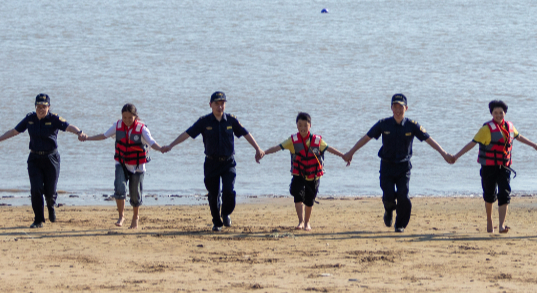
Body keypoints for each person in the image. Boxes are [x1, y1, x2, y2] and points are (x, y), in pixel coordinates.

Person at [342, 94, 455, 234]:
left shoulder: (412, 125)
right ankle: (388, 210)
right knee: (388, 195)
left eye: (400, 107)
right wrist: (351, 152)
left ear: (406, 108)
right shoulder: (383, 124)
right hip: (387, 166)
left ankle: (400, 225)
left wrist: (444, 154)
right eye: (395, 107)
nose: (397, 110)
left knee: (403, 197)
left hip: (403, 167)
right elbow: (366, 138)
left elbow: (428, 139)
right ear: (391, 108)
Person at [161, 91, 265, 232]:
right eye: (217, 103)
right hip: (211, 163)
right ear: (210, 105)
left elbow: (245, 133)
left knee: (228, 191)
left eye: (222, 103)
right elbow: (187, 133)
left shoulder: (231, 120)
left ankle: (226, 212)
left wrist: (257, 148)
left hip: (228, 163)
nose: (220, 107)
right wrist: (171, 145)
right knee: (213, 194)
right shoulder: (204, 121)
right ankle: (217, 222)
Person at [0, 94, 84, 228]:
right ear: (35, 106)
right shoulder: (29, 118)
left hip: (51, 159)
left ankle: (50, 206)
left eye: (44, 106)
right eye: (38, 106)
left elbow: (68, 127)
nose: (41, 109)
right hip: (34, 159)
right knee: (36, 189)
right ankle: (38, 220)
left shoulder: (54, 118)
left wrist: (79, 132)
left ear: (49, 107)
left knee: (50, 192)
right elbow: (14, 131)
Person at [449, 100, 537, 234]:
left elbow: (519, 137)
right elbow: (472, 144)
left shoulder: (510, 127)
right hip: (489, 168)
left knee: (504, 194)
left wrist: (535, 146)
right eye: (495, 113)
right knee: (489, 195)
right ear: (491, 113)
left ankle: (502, 225)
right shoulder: (486, 129)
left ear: (505, 113)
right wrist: (456, 156)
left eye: (501, 113)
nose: (498, 115)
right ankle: (489, 220)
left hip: (504, 167)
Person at [81, 103, 162, 229]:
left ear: (135, 116)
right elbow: (103, 136)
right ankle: (121, 216)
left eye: (130, 117)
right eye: (124, 117)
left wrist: (162, 148)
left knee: (135, 194)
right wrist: (87, 138)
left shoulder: (142, 129)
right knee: (119, 189)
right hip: (121, 163)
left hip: (137, 166)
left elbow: (152, 142)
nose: (127, 120)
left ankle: (135, 217)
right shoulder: (117, 126)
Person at [262, 111, 347, 231]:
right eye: (300, 125)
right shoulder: (292, 140)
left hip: (313, 175)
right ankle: (300, 221)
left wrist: (344, 156)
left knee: (309, 199)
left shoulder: (317, 141)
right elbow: (277, 147)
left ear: (310, 126)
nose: (302, 128)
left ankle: (307, 222)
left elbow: (329, 149)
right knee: (298, 195)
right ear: (296, 126)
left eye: (305, 125)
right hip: (299, 174)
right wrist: (264, 152)